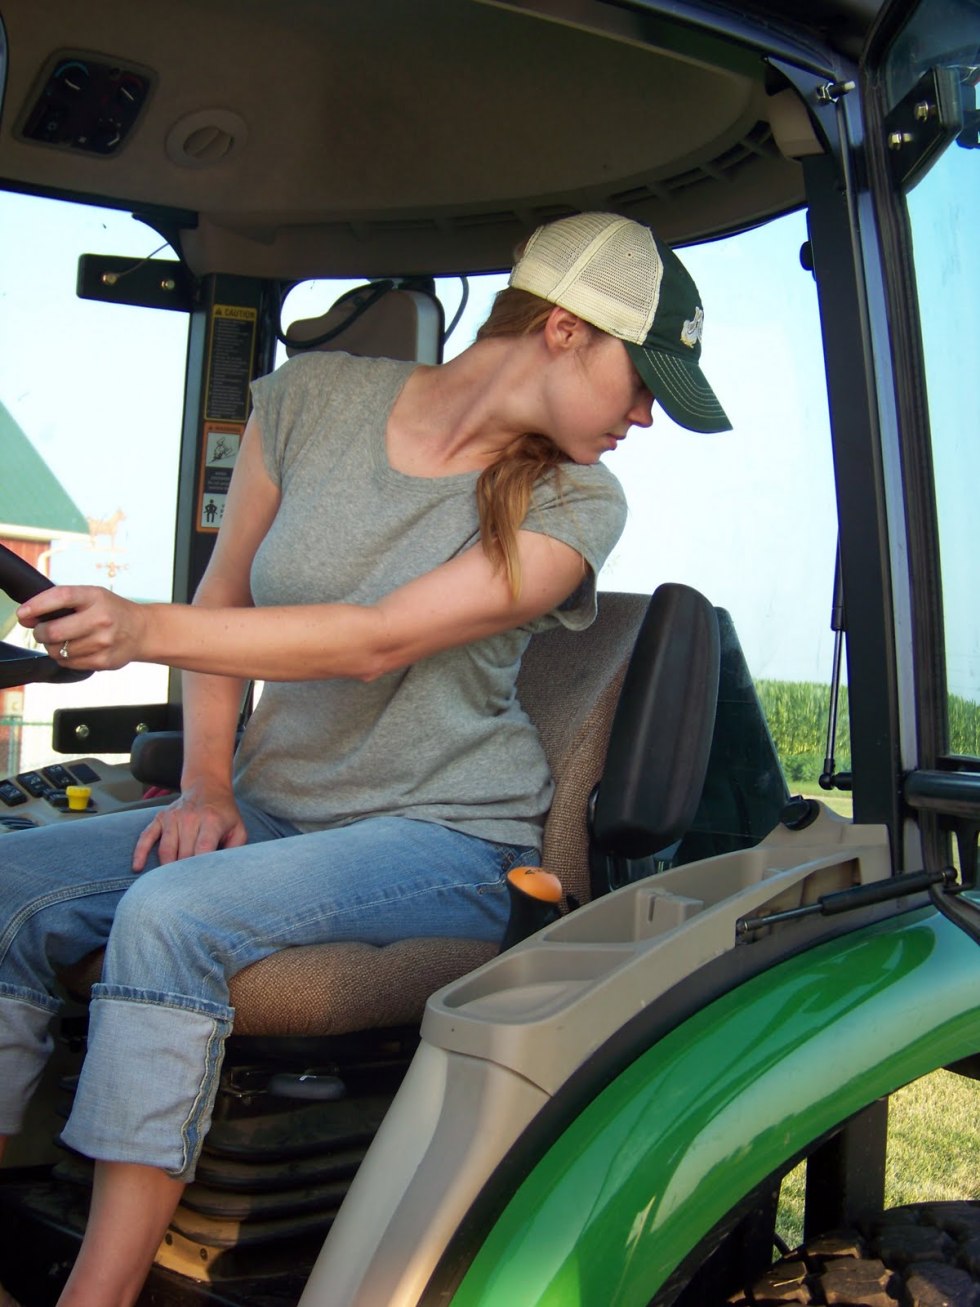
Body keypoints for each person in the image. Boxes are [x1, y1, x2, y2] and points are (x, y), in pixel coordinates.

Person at [3, 211, 730, 1307]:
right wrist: (206, 783)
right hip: (275, 808)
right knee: (14, 884)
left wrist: (138, 629)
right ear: (568, 330)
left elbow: (372, 637)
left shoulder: (578, 501)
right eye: (645, 380)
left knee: (172, 913)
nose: (645, 415)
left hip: (445, 838)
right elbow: (223, 596)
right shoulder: (307, 401)